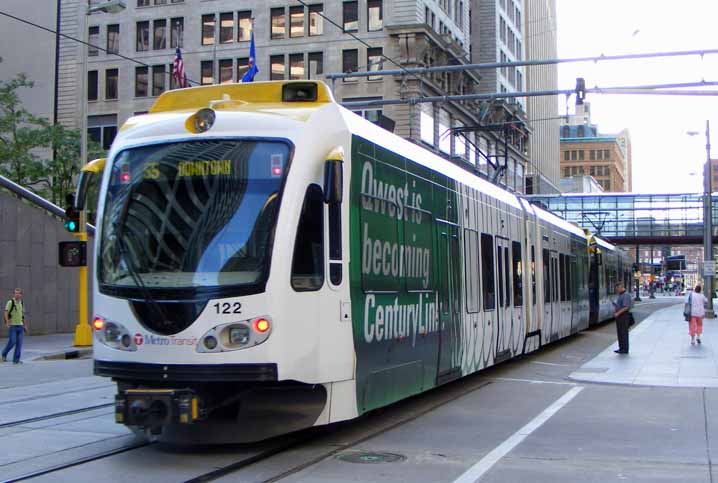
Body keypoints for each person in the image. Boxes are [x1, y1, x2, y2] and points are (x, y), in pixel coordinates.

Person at [3, 288, 28, 364]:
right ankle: (4, 353)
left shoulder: (22, 303)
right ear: (14, 294)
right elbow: (6, 313)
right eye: (15, 293)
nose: (17, 294)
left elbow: (22, 315)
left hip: (20, 326)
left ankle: (16, 360)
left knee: (19, 344)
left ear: (21, 295)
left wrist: (25, 325)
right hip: (13, 326)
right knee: (13, 341)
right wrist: (7, 322)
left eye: (18, 293)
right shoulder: (10, 302)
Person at [612, 283, 632, 354]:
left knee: (623, 333)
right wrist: (615, 305)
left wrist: (618, 313)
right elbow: (621, 305)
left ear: (621, 287)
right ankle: (621, 348)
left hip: (623, 317)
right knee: (620, 333)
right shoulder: (621, 295)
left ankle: (624, 349)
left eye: (617, 289)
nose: (617, 290)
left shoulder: (626, 295)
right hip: (620, 317)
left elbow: (626, 307)